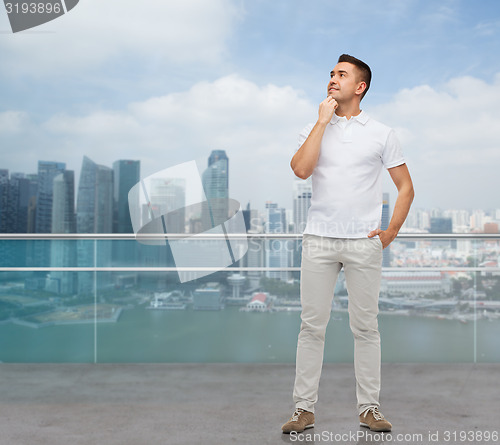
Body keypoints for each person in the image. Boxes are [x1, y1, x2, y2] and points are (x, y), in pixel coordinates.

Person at [282, 54, 414, 434]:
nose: (332, 80)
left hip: (363, 244)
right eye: (330, 74)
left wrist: (390, 232)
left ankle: (369, 409)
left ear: (361, 86)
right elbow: (301, 170)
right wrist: (322, 123)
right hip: (319, 240)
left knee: (366, 329)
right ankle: (303, 410)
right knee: (311, 328)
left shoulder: (382, 132)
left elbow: (406, 188)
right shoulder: (314, 127)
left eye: (341, 75)